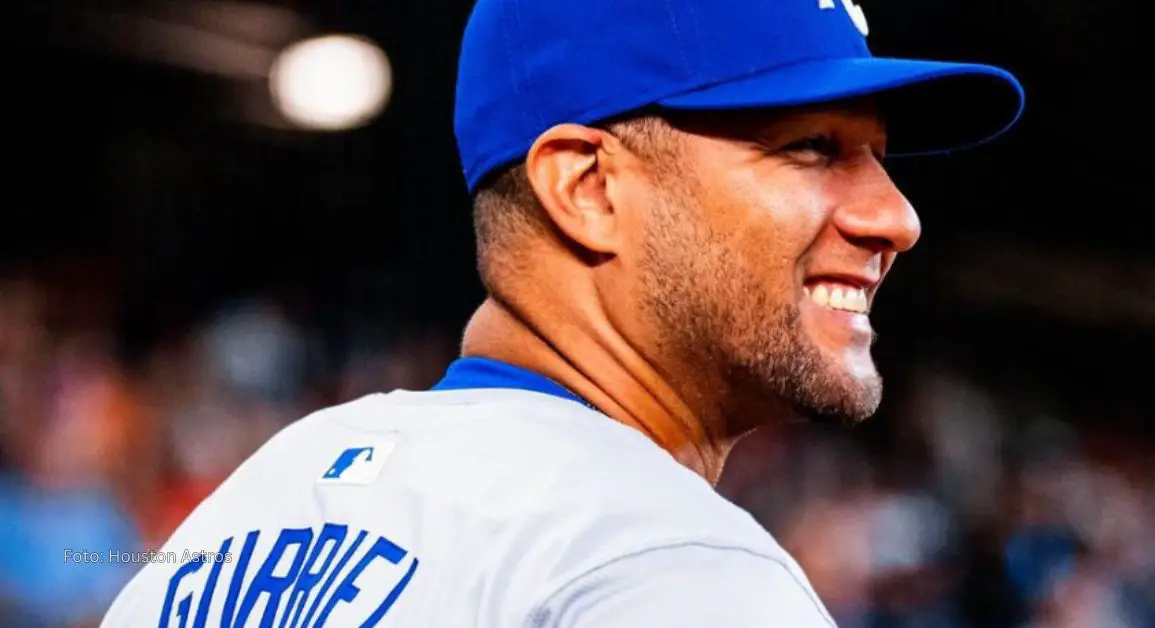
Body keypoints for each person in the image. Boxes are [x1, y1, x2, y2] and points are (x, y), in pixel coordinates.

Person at [101, 0, 1024, 625]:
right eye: (813, 147)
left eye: (878, 154)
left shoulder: (262, 500)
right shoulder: (664, 561)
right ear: (586, 187)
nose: (894, 215)